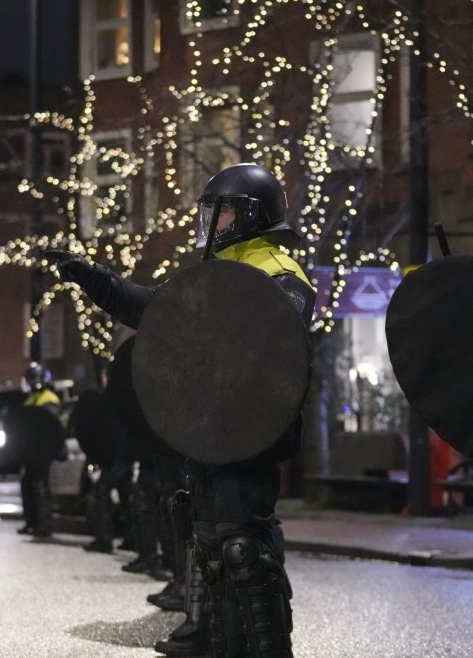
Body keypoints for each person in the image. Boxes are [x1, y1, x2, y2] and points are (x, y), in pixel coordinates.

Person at [43, 162, 315, 657]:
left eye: (223, 212)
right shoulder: (215, 271)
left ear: (252, 215)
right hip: (207, 429)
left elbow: (267, 350)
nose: (212, 222)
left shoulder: (279, 273)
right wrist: (97, 280)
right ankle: (212, 640)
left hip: (249, 433)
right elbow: (155, 309)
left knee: (243, 548)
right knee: (208, 542)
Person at [17, 361, 63, 538]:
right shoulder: (31, 399)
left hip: (43, 450)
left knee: (40, 486)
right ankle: (31, 522)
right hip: (30, 450)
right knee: (27, 484)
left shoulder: (48, 399)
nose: (30, 382)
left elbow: (49, 426)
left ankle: (44, 524)